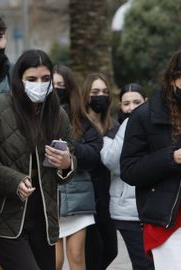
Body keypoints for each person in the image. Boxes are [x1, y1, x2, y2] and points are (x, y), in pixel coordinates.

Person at [0, 49, 76, 270]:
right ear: (18, 79)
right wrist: (13, 181)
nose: (39, 84)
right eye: (32, 79)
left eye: (45, 79)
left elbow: (70, 161)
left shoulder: (57, 114)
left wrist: (66, 163)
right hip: (5, 217)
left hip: (43, 215)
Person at [121, 48, 181, 269]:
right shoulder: (144, 115)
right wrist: (171, 158)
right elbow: (130, 171)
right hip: (169, 218)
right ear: (172, 80)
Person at [100, 83, 153, 270]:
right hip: (127, 211)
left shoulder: (155, 125)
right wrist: (129, 127)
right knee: (143, 264)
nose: (131, 107)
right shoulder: (118, 129)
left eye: (136, 102)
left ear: (146, 102)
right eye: (126, 103)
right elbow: (113, 162)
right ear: (120, 107)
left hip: (154, 207)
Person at [53, 65, 101, 270]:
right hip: (49, 199)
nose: (57, 89)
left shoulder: (82, 119)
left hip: (78, 198)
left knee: (77, 256)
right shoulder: (35, 116)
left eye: (61, 85)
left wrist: (70, 151)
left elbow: (94, 154)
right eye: (52, 85)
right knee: (54, 261)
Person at [81, 73, 118, 270]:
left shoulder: (113, 126)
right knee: (93, 253)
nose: (100, 96)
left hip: (105, 199)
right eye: (95, 92)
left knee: (111, 250)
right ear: (86, 95)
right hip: (85, 199)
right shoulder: (78, 125)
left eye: (104, 92)